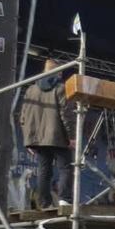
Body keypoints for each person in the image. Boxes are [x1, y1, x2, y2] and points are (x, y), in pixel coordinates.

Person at [20, 59, 76, 208]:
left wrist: (28, 140)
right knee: (65, 168)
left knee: (44, 170)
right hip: (58, 136)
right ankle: (64, 199)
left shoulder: (31, 90)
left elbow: (23, 116)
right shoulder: (61, 88)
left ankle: (44, 203)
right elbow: (67, 114)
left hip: (38, 139)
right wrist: (72, 137)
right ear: (58, 72)